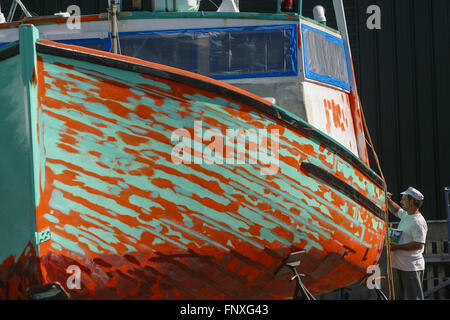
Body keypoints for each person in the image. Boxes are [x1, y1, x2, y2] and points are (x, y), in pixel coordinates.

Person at [386, 187, 428, 300]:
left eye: (404, 199)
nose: (401, 201)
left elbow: (419, 244)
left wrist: (396, 247)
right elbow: (396, 210)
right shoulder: (407, 215)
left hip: (411, 268)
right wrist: (387, 200)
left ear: (411, 202)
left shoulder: (418, 222)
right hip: (403, 266)